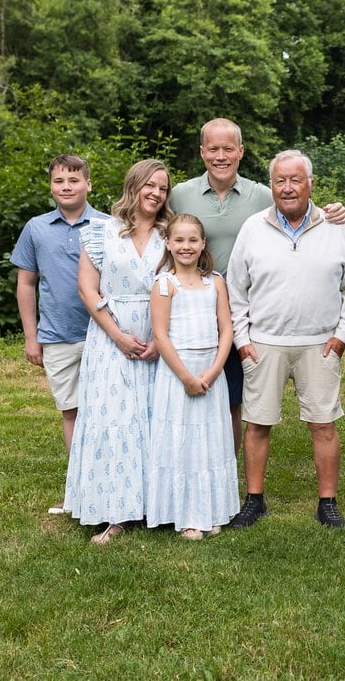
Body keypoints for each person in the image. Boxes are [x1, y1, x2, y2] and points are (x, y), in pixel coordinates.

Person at [169, 118, 345, 458]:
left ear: (241, 151)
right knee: (187, 389)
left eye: (228, 149)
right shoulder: (180, 194)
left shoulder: (263, 195)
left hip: (241, 315)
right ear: (202, 152)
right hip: (190, 309)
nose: (220, 156)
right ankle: (186, 463)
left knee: (233, 398)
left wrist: (335, 212)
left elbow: (301, 206)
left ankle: (225, 468)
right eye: (213, 149)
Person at [226, 150, 345, 528]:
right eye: (280, 181)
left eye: (295, 180)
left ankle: (327, 503)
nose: (287, 188)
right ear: (271, 186)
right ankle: (254, 500)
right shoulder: (253, 228)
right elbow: (236, 288)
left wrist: (341, 337)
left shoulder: (335, 227)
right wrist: (243, 340)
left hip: (320, 343)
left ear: (310, 184)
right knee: (257, 423)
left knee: (324, 424)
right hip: (263, 342)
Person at [63, 159, 173, 544]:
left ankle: (155, 506)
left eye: (162, 188)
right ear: (134, 185)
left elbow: (181, 284)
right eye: (150, 185)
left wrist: (160, 340)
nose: (155, 193)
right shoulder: (102, 232)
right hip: (111, 340)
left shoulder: (170, 233)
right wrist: (118, 336)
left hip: (158, 339)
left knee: (155, 421)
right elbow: (87, 289)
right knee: (115, 421)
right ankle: (115, 510)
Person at [10, 154, 107, 514]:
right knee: (71, 411)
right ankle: (79, 489)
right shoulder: (36, 228)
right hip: (57, 336)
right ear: (51, 186)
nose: (66, 187)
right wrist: (31, 336)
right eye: (59, 181)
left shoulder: (107, 225)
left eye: (74, 180)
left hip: (102, 334)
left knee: (106, 411)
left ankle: (111, 483)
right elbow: (26, 284)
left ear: (88, 184)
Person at [146, 214, 239, 539]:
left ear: (202, 244)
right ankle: (186, 515)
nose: (186, 246)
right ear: (168, 244)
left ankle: (212, 509)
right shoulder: (164, 285)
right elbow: (160, 335)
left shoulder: (215, 281)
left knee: (211, 441)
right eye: (179, 240)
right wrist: (186, 377)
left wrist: (213, 371)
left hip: (211, 370)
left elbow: (226, 330)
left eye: (192, 240)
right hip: (178, 373)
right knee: (182, 442)